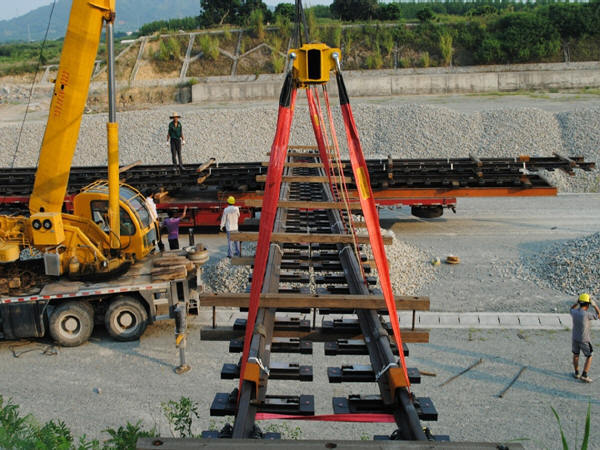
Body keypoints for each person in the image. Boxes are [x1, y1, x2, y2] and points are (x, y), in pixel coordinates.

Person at [570, 293, 599, 383]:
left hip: (575, 338)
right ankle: (584, 375)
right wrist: (595, 306)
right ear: (587, 304)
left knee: (576, 354)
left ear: (580, 303)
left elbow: (571, 308)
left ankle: (576, 373)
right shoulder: (587, 314)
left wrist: (576, 303)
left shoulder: (574, 312)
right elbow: (599, 315)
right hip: (584, 339)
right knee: (589, 356)